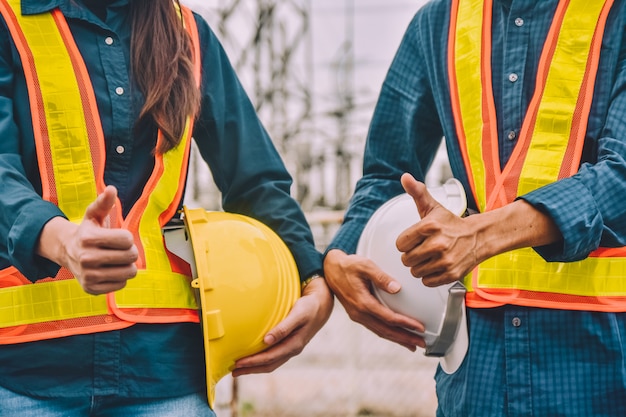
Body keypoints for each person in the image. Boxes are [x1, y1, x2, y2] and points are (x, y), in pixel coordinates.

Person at [0, 0, 333, 416]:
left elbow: (256, 181)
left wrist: (313, 279)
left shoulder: (189, 35)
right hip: (25, 369)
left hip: (162, 365)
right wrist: (59, 238)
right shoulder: (8, 21)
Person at [323, 0, 626, 415]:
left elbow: (622, 173)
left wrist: (479, 236)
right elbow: (385, 176)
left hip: (604, 361)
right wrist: (337, 258)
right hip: (477, 372)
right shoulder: (437, 24)